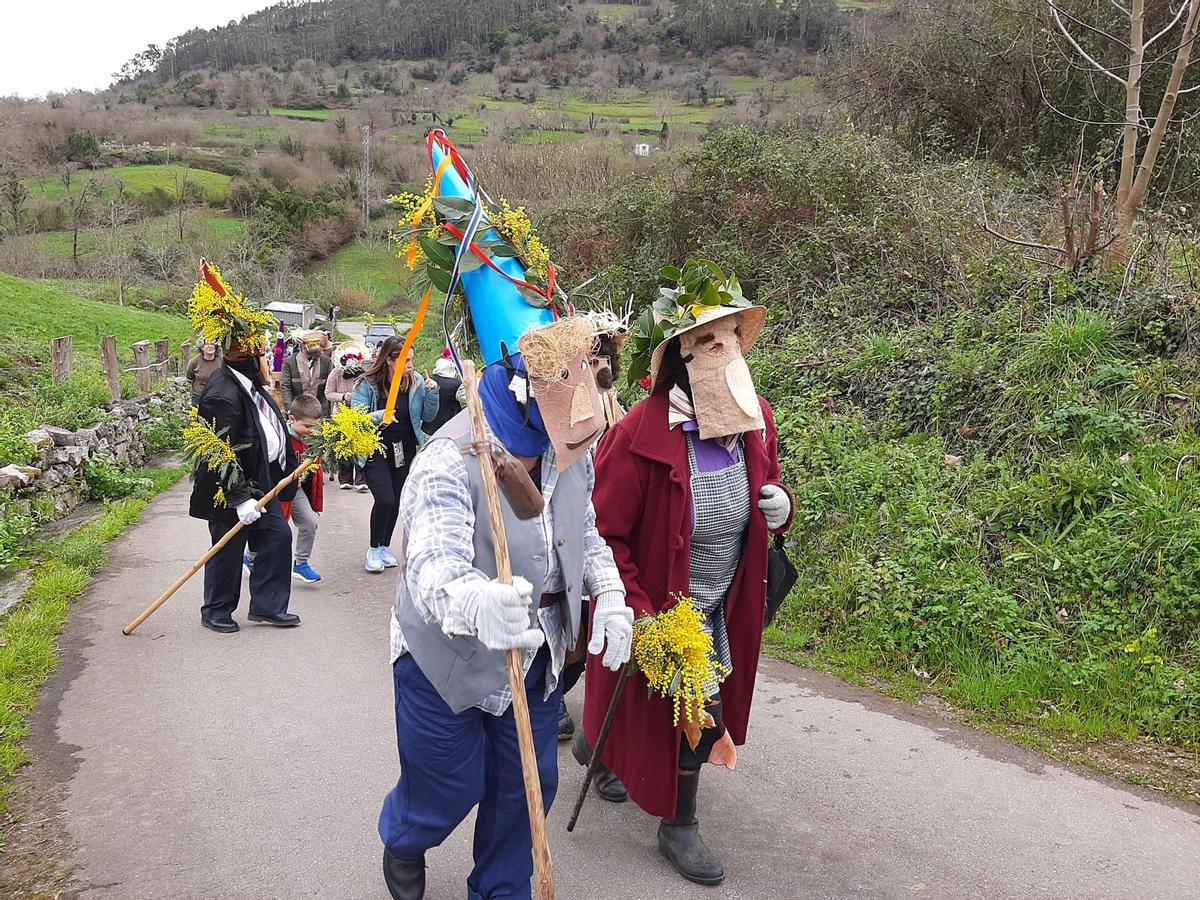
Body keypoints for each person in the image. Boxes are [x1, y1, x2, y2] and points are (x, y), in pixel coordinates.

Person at [376, 317, 631, 900]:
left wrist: (610, 596)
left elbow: (584, 531)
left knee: (526, 787)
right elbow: (431, 564)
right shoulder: (448, 454)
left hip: (536, 650)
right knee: (447, 783)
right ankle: (406, 837)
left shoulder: (569, 444)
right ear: (529, 388)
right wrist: (473, 601)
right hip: (446, 653)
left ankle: (500, 889)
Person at [582, 268, 793, 886]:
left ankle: (605, 753)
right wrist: (635, 607)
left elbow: (770, 483)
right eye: (708, 341)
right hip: (661, 602)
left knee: (701, 704)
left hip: (724, 600)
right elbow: (606, 533)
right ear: (681, 355)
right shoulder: (635, 435)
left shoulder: (758, 420)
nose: (725, 353)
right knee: (678, 705)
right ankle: (678, 822)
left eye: (731, 338)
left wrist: (779, 506)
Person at [187, 264, 302, 634]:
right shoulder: (222, 392)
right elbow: (220, 452)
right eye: (263, 353)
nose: (268, 360)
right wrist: (239, 499)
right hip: (229, 489)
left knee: (277, 537)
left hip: (260, 483)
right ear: (248, 357)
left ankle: (267, 607)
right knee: (227, 546)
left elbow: (270, 431)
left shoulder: (249, 385)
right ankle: (216, 610)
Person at [558, 311, 629, 747]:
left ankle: (557, 696)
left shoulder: (615, 401)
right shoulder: (567, 399)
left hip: (604, 522)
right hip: (574, 517)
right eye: (594, 357)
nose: (601, 367)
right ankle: (552, 699)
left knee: (589, 627)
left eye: (606, 358)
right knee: (567, 622)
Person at [351, 336, 439, 573]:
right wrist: (380, 416)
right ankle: (373, 548)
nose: (410, 365)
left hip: (405, 447)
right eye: (405, 360)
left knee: (398, 500)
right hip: (374, 447)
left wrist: (432, 394)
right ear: (389, 360)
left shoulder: (417, 381)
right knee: (385, 498)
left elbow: (428, 417)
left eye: (412, 360)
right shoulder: (367, 384)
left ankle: (384, 546)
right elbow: (355, 418)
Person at [281, 392, 324, 584]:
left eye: (315, 427)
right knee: (275, 529)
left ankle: (301, 563)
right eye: (307, 426)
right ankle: (252, 556)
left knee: (309, 521)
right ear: (292, 419)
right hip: (278, 490)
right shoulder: (281, 437)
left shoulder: (313, 439)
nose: (311, 431)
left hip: (296, 489)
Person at [325, 343, 368, 491]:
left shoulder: (363, 373)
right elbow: (328, 393)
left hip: (360, 413)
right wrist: (343, 396)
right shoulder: (336, 373)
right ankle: (345, 478)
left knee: (360, 446)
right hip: (341, 414)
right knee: (343, 446)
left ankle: (361, 479)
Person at [281, 330, 334, 415]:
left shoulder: (326, 361)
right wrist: (290, 410)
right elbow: (286, 387)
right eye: (312, 344)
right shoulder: (290, 362)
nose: (317, 347)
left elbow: (331, 386)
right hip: (298, 410)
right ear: (302, 345)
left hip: (321, 411)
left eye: (318, 344)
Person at [421, 347, 464, 437]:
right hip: (449, 431)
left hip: (428, 430)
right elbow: (469, 398)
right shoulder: (455, 385)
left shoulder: (428, 380)